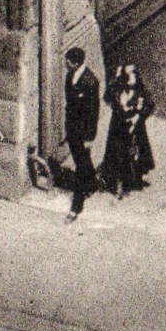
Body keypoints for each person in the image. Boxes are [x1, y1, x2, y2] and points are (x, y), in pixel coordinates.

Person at [99, 64, 156, 199]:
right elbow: (108, 98)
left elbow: (149, 105)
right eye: (129, 74)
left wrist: (139, 117)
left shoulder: (140, 91)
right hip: (119, 125)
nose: (132, 77)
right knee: (117, 153)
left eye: (134, 73)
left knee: (136, 152)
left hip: (135, 125)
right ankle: (117, 182)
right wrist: (115, 78)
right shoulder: (118, 90)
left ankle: (136, 178)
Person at [63, 46, 99, 221]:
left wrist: (90, 137)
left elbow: (93, 113)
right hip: (72, 128)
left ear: (76, 63)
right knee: (82, 160)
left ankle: (76, 207)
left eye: (68, 62)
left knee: (80, 166)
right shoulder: (70, 76)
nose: (65, 64)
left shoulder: (91, 82)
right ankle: (92, 183)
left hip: (83, 132)